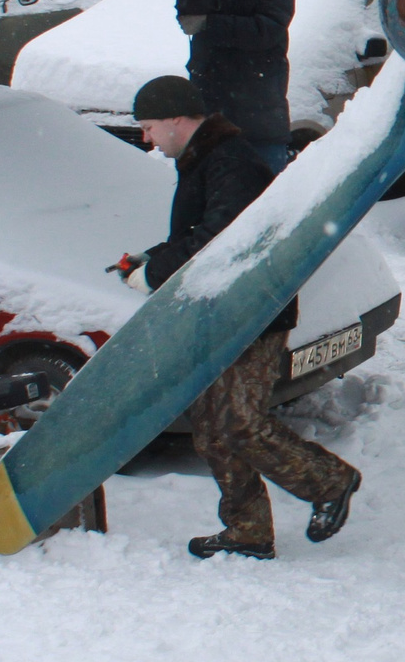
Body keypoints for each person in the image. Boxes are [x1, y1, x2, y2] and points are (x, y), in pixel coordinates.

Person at [127, 74, 359, 560]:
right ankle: (248, 530)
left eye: (148, 127)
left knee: (240, 422)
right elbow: (199, 229)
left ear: (175, 120)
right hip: (224, 311)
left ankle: (331, 482)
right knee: (213, 429)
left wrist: (156, 274)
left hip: (253, 313)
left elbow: (220, 240)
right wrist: (149, 259)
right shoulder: (204, 159)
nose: (146, 138)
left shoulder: (229, 162)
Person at [175, 0, 295, 173]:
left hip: (258, 114)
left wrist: (210, 24)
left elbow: (266, 31)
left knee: (262, 198)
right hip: (209, 113)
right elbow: (189, 17)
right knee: (207, 198)